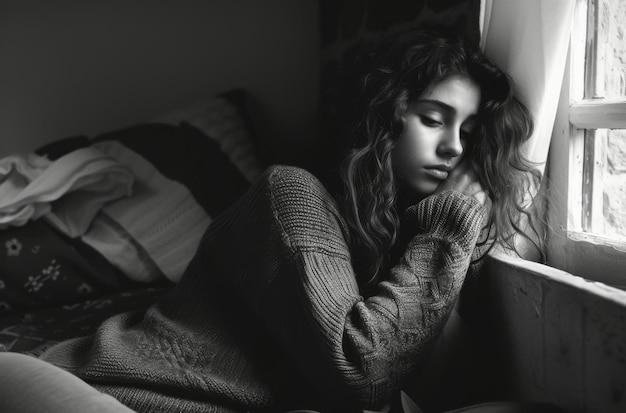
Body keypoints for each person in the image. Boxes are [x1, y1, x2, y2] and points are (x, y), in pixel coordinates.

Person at [0, 26, 551, 413]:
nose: (454, 147)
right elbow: (361, 373)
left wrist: (455, 243)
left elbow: (444, 384)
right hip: (87, 390)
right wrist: (450, 224)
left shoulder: (412, 251)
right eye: (434, 119)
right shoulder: (292, 197)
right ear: (385, 118)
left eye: (471, 133)